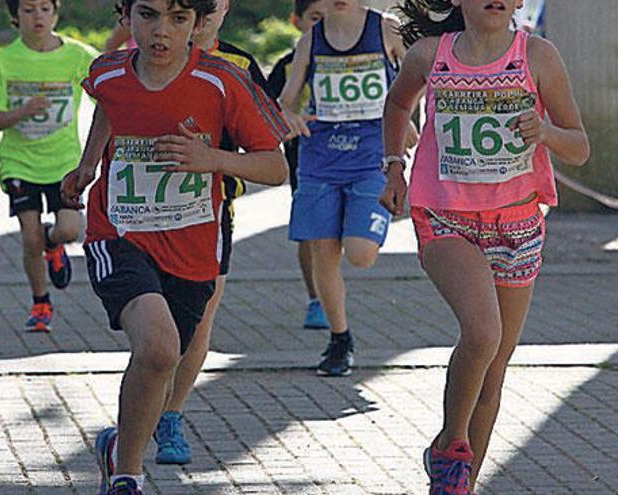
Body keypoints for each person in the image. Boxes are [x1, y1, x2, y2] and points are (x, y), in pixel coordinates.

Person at [60, 0, 288, 493]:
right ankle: (127, 476)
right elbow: (110, 109)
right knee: (159, 346)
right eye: (147, 15)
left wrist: (212, 159)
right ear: (126, 15)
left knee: (164, 359)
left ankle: (119, 449)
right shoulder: (106, 72)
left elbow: (275, 166)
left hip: (192, 250)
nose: (161, 31)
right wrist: (88, 166)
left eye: (178, 18)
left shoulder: (222, 81)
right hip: (118, 233)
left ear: (199, 23)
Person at [381, 0, 589, 492]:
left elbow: (580, 146)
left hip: (517, 226)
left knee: (493, 372)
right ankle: (450, 443)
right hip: (445, 218)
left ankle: (459, 482)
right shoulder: (430, 55)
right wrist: (394, 165)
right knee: (482, 333)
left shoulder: (538, 56)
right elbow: (396, 105)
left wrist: (547, 133)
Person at [149, 0, 276, 466]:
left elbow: (267, 141)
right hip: (141, 213)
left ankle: (171, 414)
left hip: (210, 209)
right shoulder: (143, 56)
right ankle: (146, 400)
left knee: (199, 317)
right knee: (152, 323)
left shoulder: (238, 64)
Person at [279, 0, 418, 377]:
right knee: (324, 253)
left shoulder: (385, 28)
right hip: (320, 159)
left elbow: (419, 75)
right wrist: (289, 117)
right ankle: (340, 340)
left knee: (360, 253)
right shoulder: (311, 39)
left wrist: (404, 118)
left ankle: (357, 223)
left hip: (371, 156)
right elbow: (286, 99)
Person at [0, 0, 98, 332]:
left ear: (56, 14)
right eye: (29, 10)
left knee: (70, 230)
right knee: (28, 238)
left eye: (45, 8)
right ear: (15, 17)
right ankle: (41, 303)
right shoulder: (6, 60)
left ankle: (54, 243)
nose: (38, 17)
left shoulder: (77, 56)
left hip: (64, 163)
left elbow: (105, 95)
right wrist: (25, 110)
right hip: (19, 164)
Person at [266, 0, 329, 330]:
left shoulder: (355, 60)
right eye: (315, 18)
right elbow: (266, 111)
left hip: (349, 157)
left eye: (328, 18)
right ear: (297, 22)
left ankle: (330, 290)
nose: (321, 26)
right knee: (312, 234)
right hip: (303, 160)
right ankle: (316, 298)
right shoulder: (287, 66)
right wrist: (287, 120)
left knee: (335, 237)